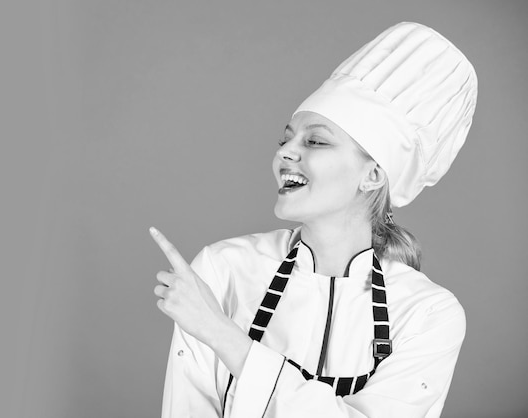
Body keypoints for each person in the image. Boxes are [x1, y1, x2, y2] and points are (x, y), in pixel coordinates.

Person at [150, 21, 477, 418]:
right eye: (285, 139)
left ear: (373, 175)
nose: (285, 152)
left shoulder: (427, 313)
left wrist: (222, 334)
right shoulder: (222, 272)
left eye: (315, 141)